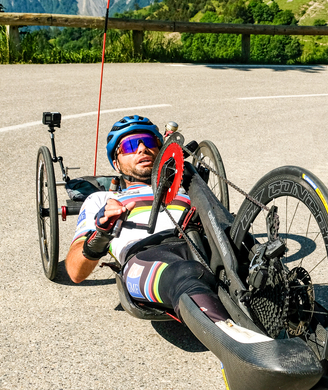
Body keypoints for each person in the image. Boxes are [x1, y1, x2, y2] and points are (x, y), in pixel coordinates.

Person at [65, 115, 229, 323]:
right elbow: (74, 271)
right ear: (116, 163)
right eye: (130, 145)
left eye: (150, 142)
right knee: (188, 274)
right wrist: (102, 232)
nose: (142, 149)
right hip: (145, 257)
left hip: (204, 244)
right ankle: (241, 346)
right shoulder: (103, 200)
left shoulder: (186, 188)